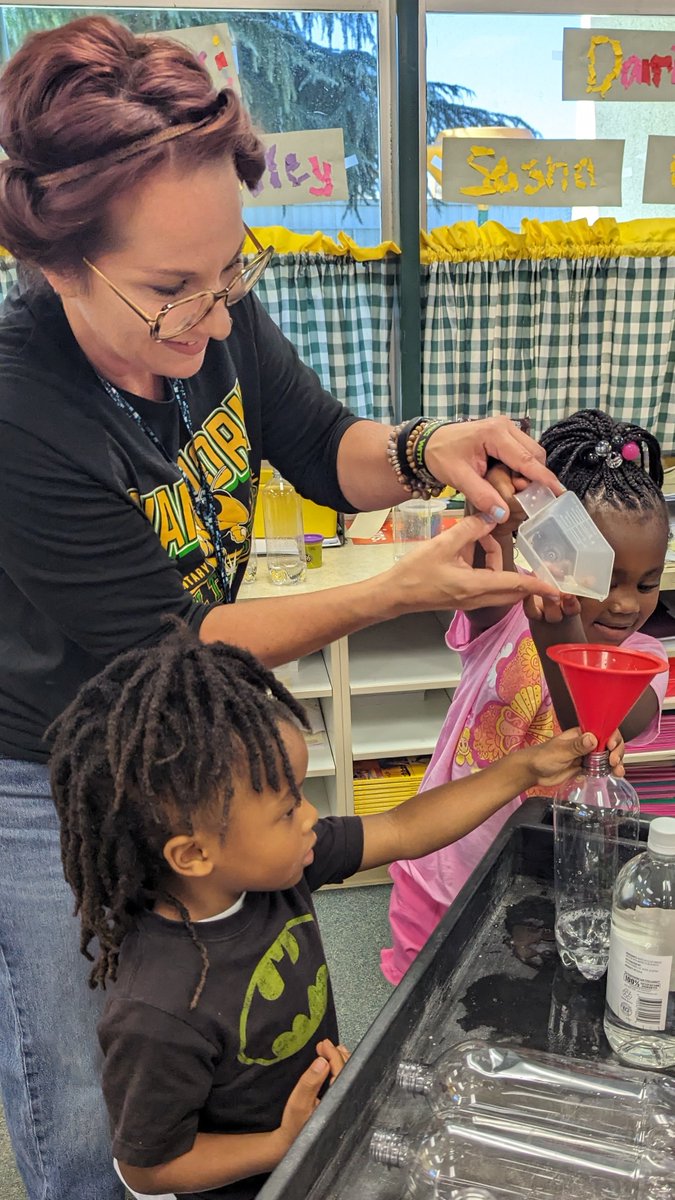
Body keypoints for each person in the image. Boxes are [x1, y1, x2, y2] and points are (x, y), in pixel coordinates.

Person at [0, 16, 571, 1200]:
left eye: (231, 276)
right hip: (45, 771)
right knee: (87, 1092)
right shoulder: (20, 409)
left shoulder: (206, 305)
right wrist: (396, 590)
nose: (213, 323)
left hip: (185, 730)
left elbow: (320, 446)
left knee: (231, 999)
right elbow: (169, 639)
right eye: (172, 293)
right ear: (55, 263)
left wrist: (428, 447)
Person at [47, 626, 624, 1200]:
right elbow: (147, 1167)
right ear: (195, 854)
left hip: (316, 1146)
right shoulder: (157, 1010)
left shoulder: (277, 869)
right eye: (287, 807)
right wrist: (279, 1144)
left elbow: (402, 828)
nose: (309, 818)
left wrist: (526, 769)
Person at [382, 409, 670, 985]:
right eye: (606, 575)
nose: (623, 603)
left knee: (502, 999)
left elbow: (589, 722)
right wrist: (497, 511)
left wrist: (561, 631)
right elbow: (491, 546)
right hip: (441, 859)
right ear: (555, 551)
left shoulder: (647, 661)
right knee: (414, 1001)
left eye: (646, 582)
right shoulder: (505, 608)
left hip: (538, 877)